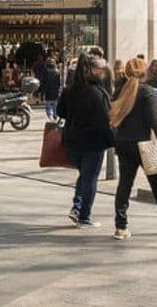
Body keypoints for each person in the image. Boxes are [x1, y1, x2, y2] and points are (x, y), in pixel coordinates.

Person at [108, 58, 157, 240]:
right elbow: (152, 121)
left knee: (125, 185)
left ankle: (121, 227)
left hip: (124, 143)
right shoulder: (147, 92)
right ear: (144, 72)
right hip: (144, 145)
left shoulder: (120, 91)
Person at [57, 54, 113, 228]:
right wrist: (113, 140)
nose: (104, 74)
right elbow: (106, 119)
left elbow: (60, 112)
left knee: (84, 175)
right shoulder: (97, 93)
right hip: (93, 142)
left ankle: (77, 207)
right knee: (90, 178)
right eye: (102, 70)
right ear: (94, 71)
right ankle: (84, 216)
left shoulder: (70, 90)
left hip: (72, 140)